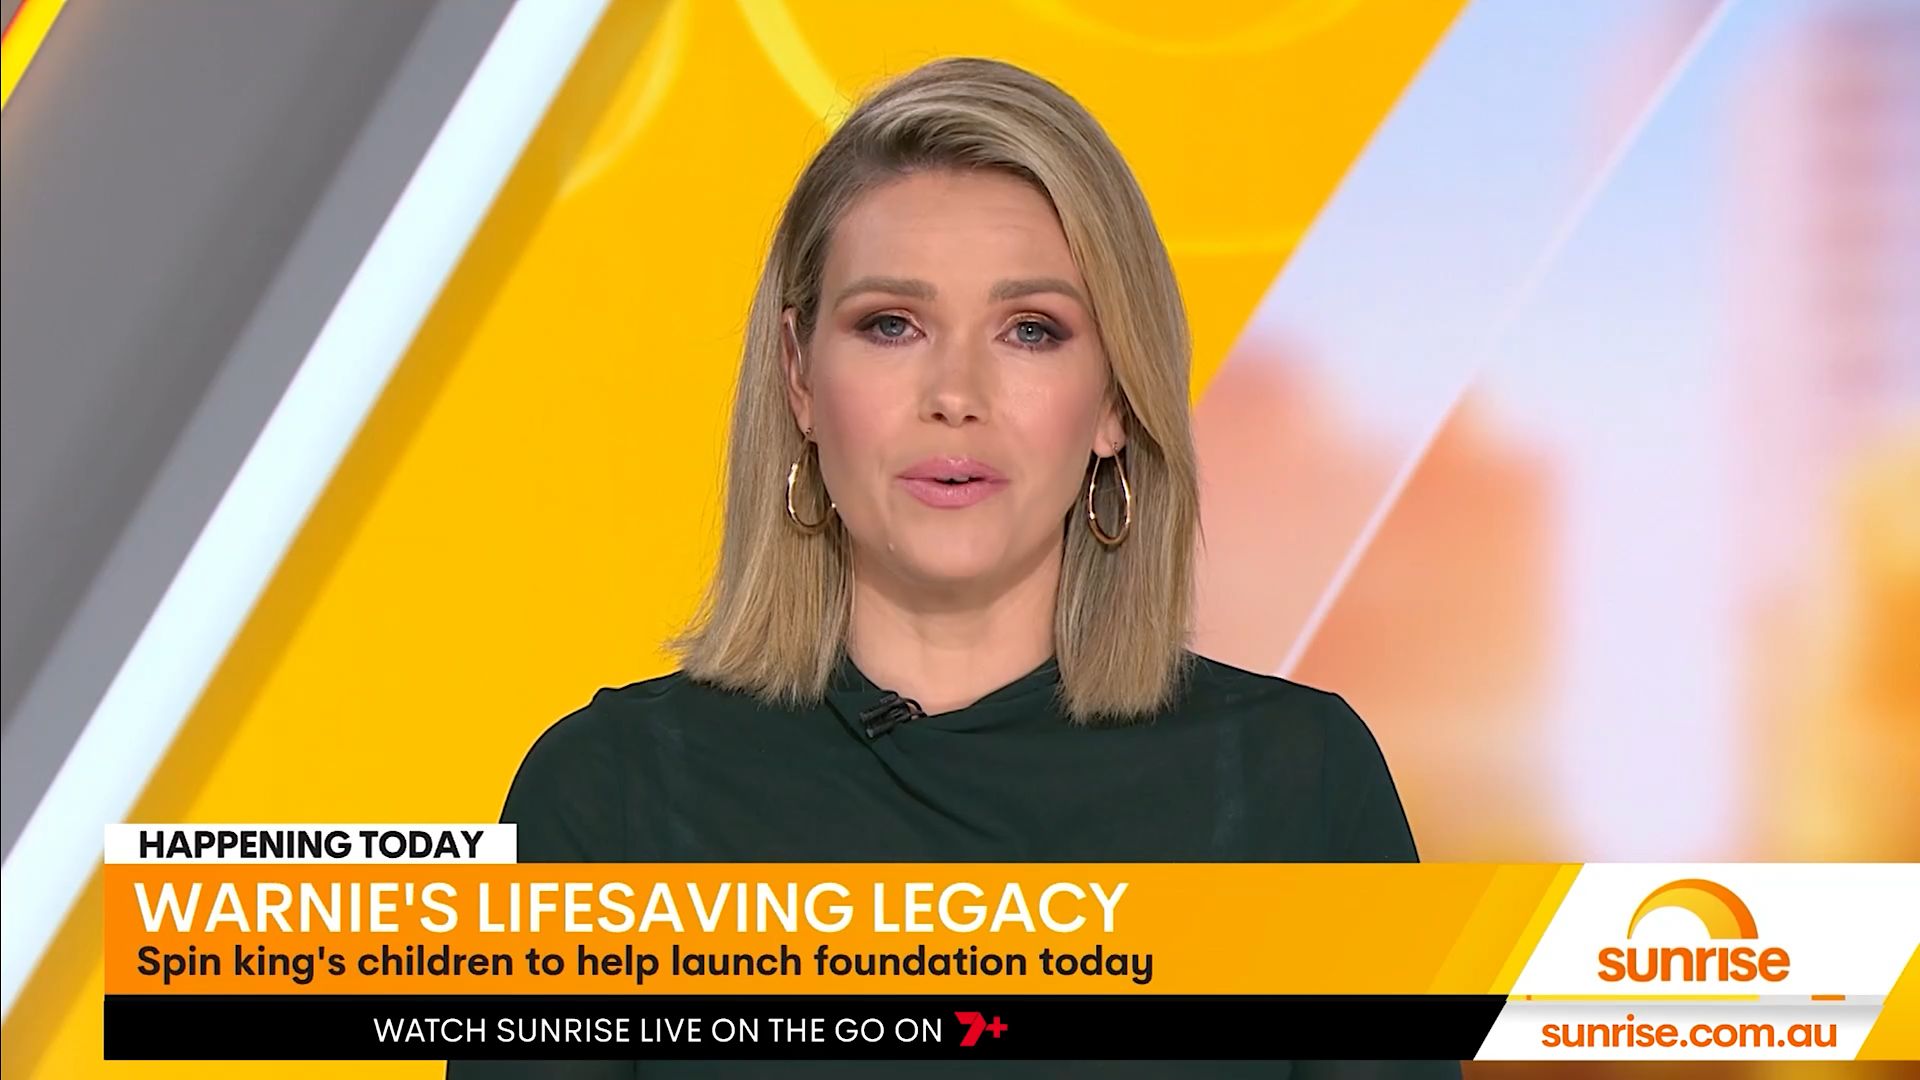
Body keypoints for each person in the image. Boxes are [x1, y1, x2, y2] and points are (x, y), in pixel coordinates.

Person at [449, 56, 1454, 1079]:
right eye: (892, 324)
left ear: (1114, 398)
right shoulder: (606, 799)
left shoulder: (1297, 786)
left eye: (1030, 331)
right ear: (800, 376)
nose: (956, 394)